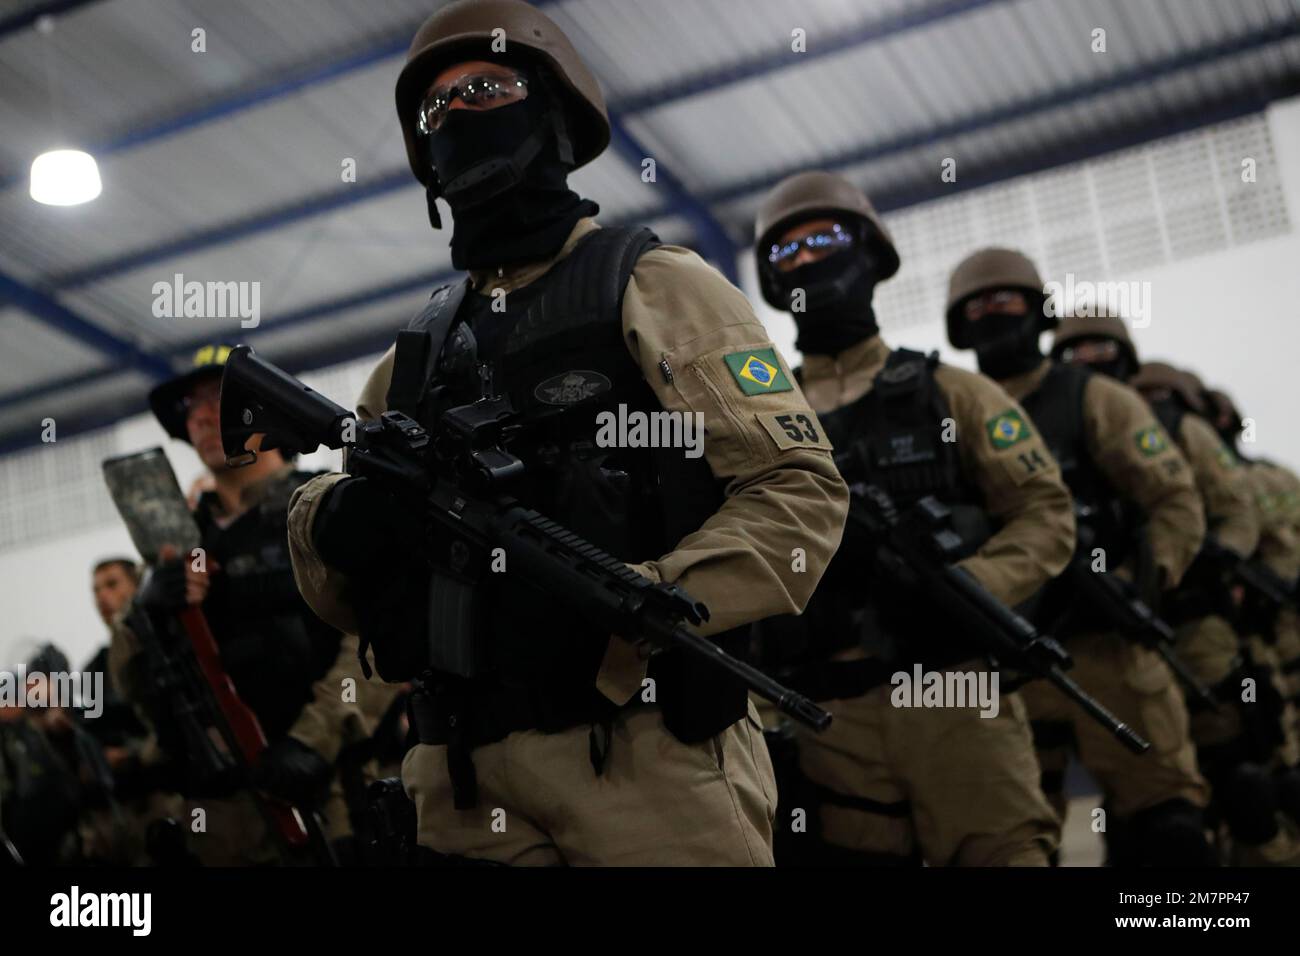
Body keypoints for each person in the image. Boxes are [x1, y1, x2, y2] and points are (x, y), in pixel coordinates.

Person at [285, 0, 848, 866]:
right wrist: (332, 520)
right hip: (461, 780)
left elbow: (800, 494)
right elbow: (339, 582)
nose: (460, 115)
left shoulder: (654, 285)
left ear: (552, 109)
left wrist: (650, 601)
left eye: (487, 87)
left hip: (646, 756)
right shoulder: (415, 357)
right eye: (437, 110)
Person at [750, 170, 1072, 866]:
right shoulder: (762, 420)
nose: (807, 261)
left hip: (953, 696)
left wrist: (971, 587)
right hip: (825, 716)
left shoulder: (951, 392)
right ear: (773, 281)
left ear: (868, 252)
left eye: (824, 239)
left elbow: (1045, 511)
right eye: (787, 253)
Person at [945, 248, 1214, 865]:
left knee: (1164, 832)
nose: (992, 314)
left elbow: (1174, 501)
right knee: (1026, 842)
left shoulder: (1092, 398)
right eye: (978, 306)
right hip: (1010, 661)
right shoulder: (953, 405)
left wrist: (1139, 581)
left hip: (1108, 653)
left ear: (1037, 313)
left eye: (1005, 301)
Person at [110, 344, 387, 865]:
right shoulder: (175, 544)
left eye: (220, 399)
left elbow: (380, 643)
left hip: (327, 793)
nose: (202, 416)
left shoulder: (326, 506)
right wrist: (147, 609)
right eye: (192, 408)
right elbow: (134, 683)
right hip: (221, 814)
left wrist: (312, 740)